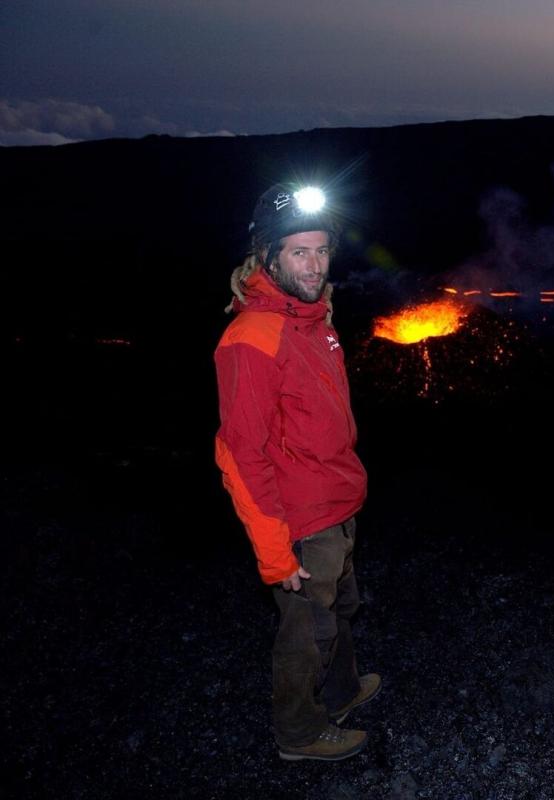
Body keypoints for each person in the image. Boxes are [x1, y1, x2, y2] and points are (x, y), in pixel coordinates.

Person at [214, 182, 381, 761]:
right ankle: (300, 733)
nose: (314, 265)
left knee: (340, 608)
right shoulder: (253, 337)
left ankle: (340, 692)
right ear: (268, 257)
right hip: (301, 520)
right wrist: (275, 552)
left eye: (321, 250)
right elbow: (240, 453)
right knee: (306, 633)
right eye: (298, 252)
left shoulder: (314, 317)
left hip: (336, 502)